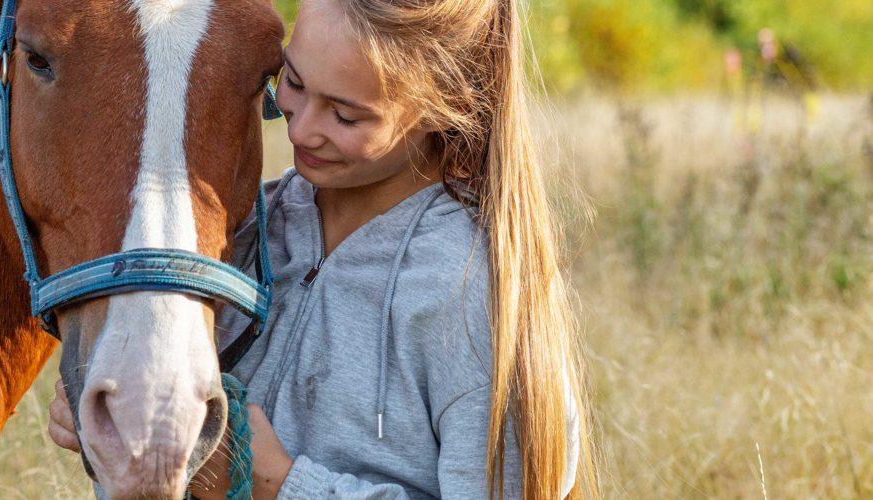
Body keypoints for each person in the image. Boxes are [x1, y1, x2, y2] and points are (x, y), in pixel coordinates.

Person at [49, 0, 589, 497]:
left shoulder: (475, 296)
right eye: (293, 82)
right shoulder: (239, 232)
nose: (301, 130)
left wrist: (277, 485)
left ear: (444, 108)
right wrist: (113, 413)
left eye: (346, 115)